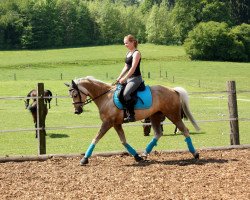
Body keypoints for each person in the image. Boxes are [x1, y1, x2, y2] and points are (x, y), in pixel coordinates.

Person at [116, 34, 143, 123]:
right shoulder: (128, 53)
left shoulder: (136, 53)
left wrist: (125, 78)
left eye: (127, 43)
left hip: (136, 79)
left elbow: (133, 68)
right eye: (124, 43)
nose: (125, 45)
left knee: (126, 94)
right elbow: (126, 67)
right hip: (128, 78)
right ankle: (124, 112)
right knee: (119, 93)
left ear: (132, 42)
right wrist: (119, 77)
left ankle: (131, 115)